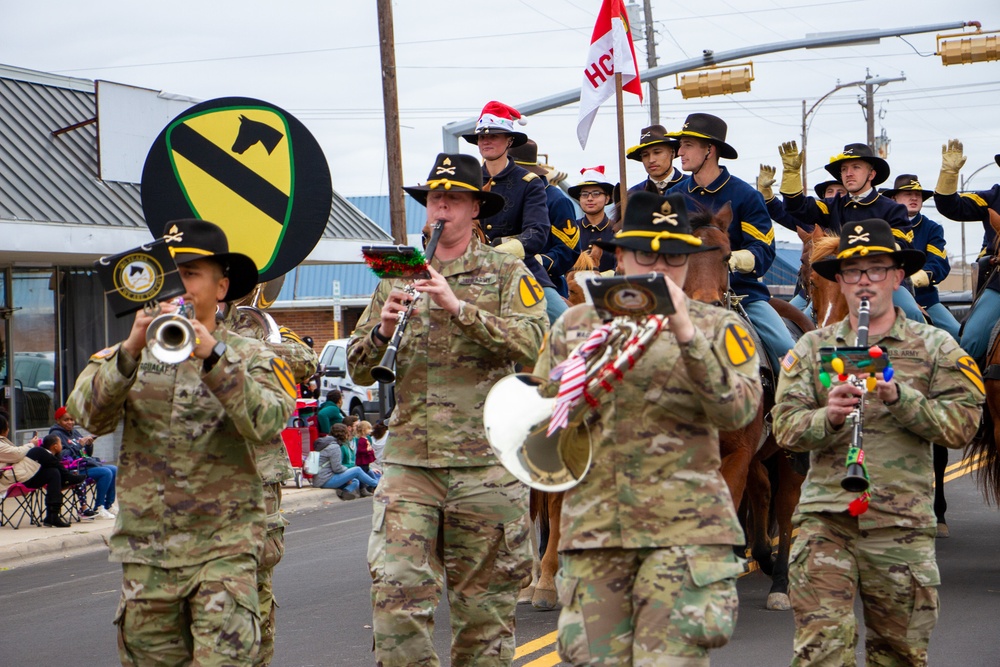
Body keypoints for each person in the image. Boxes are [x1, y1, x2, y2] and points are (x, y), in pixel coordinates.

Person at [535, 191, 761, 665]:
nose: (659, 267)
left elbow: (739, 414)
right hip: (597, 536)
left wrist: (686, 333)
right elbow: (540, 424)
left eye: (673, 255)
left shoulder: (722, 329)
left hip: (683, 538)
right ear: (620, 255)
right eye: (645, 254)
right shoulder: (575, 326)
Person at [347, 152, 547, 667]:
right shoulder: (396, 274)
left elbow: (533, 345)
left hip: (486, 466)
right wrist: (384, 328)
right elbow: (357, 366)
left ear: (475, 208)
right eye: (434, 198)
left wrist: (459, 309)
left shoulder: (506, 270)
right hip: (411, 463)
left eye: (454, 199)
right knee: (396, 596)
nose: (441, 208)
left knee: (484, 618)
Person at [67, 218, 296, 667]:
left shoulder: (253, 357)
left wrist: (214, 358)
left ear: (222, 286)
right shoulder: (123, 355)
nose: (180, 286)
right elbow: (87, 416)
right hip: (147, 553)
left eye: (190, 274)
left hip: (224, 552)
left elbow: (268, 422)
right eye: (170, 275)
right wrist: (131, 351)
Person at [772, 218, 984, 666]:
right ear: (840, 281)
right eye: (853, 271)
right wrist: (827, 417)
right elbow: (784, 429)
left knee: (899, 655)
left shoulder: (937, 347)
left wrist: (899, 396)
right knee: (820, 656)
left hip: (901, 527)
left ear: (897, 276)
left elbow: (963, 428)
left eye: (876, 269)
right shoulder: (812, 348)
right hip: (825, 522)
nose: (864, 281)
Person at [223, 301, 319, 666]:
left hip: (253, 472)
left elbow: (305, 360)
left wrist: (233, 346)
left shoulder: (255, 321)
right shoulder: (171, 320)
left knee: (256, 585)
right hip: (191, 478)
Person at [666, 112, 795, 374]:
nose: (679, 152)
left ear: (709, 150)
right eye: (681, 145)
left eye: (688, 145)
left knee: (786, 350)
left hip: (741, 295)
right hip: (680, 296)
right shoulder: (672, 197)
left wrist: (734, 259)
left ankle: (790, 410)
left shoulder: (745, 195)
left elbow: (763, 250)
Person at [778, 141, 925, 323]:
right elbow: (799, 208)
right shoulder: (833, 205)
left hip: (883, 282)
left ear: (871, 174)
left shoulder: (892, 209)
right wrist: (792, 174)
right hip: (840, 283)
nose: (848, 173)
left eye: (856, 167)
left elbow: (902, 243)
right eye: (844, 169)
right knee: (804, 323)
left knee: (913, 313)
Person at [463, 101, 557, 322]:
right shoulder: (465, 182)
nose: (486, 141)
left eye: (494, 135)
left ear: (509, 140)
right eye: (482, 136)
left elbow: (537, 233)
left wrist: (495, 252)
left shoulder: (529, 182)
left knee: (565, 322)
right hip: (468, 272)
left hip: (522, 271)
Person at [932, 139, 1000, 367]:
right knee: (971, 342)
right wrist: (949, 174)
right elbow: (951, 205)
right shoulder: (993, 197)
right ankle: (967, 397)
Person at [880, 173, 961, 339]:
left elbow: (939, 263)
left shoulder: (932, 228)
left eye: (918, 195)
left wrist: (917, 278)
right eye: (908, 194)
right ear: (894, 198)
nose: (914, 198)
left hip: (925, 299)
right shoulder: (881, 226)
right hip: (884, 297)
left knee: (958, 336)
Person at [757, 168, 849, 310]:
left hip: (848, 286)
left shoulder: (854, 219)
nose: (834, 196)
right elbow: (783, 214)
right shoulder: (812, 222)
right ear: (823, 196)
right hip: (812, 288)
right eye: (830, 191)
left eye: (840, 192)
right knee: (788, 317)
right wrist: (767, 196)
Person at [508, 139, 581, 302]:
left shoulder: (556, 200)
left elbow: (569, 250)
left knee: (562, 320)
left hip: (542, 281)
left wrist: (539, 260)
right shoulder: (506, 196)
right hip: (501, 278)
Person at [0, 415, 81, 528]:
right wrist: (31, 445)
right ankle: (67, 476)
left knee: (52, 472)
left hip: (19, 475)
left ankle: (52, 516)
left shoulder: (4, 443)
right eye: (7, 426)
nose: (8, 429)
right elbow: (16, 454)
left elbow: (16, 453)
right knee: (38, 451)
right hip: (7, 480)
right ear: (3, 429)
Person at [49, 406, 117, 519]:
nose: (70, 422)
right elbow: (62, 455)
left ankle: (108, 505)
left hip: (85, 464)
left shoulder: (74, 432)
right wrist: (79, 445)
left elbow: (86, 454)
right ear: (58, 420)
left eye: (72, 419)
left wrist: (89, 444)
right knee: (105, 472)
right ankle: (99, 507)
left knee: (114, 469)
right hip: (73, 469)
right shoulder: (55, 435)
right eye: (66, 420)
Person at [23, 434, 87, 528]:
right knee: (55, 472)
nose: (62, 446)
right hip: (25, 479)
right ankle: (53, 516)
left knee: (54, 472)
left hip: (34, 478)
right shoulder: (40, 451)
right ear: (55, 446)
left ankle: (52, 517)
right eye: (61, 443)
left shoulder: (51, 456)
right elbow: (55, 464)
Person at [569, 166, 618, 274]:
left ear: (607, 198)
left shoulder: (617, 231)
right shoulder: (571, 230)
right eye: (584, 194)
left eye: (596, 194)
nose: (590, 198)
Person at [312, 424, 378, 499]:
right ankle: (377, 485)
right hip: (325, 480)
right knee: (357, 470)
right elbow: (337, 468)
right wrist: (348, 472)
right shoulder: (334, 447)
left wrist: (348, 475)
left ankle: (344, 492)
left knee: (355, 481)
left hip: (320, 478)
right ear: (343, 434)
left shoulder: (326, 443)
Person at [626, 124, 684, 195]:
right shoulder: (634, 194)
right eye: (645, 155)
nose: (651, 160)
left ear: (673, 153)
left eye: (657, 152)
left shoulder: (691, 187)